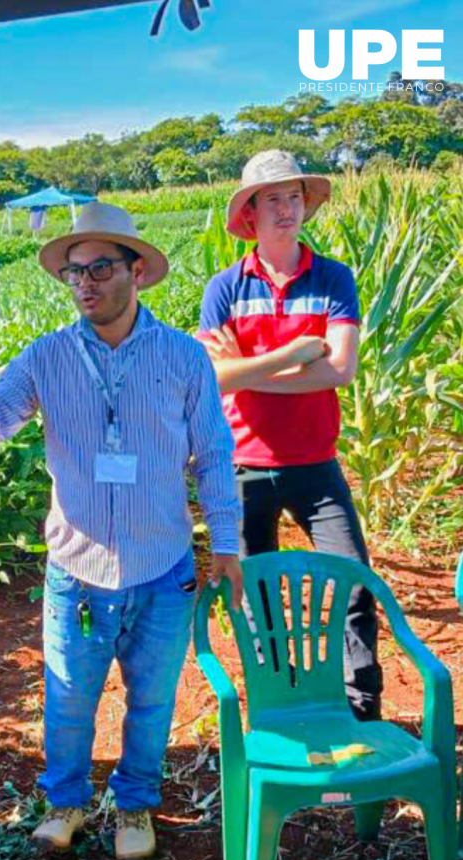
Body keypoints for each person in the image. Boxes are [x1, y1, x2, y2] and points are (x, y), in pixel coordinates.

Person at [0, 201, 242, 860]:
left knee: (152, 700)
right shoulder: (45, 358)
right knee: (69, 700)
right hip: (77, 569)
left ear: (136, 271)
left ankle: (134, 807)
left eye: (100, 267)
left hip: (163, 568)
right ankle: (66, 803)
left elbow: (214, 453)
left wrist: (228, 542)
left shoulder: (184, 357)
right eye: (74, 272)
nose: (85, 283)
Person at [197, 149, 382, 721]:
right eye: (272, 199)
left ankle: (361, 707)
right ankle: (280, 703)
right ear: (250, 214)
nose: (286, 209)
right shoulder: (224, 288)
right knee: (256, 596)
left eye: (294, 197)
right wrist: (293, 359)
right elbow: (212, 376)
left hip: (314, 463)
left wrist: (252, 372)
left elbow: (340, 369)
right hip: (243, 466)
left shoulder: (333, 279)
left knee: (354, 581)